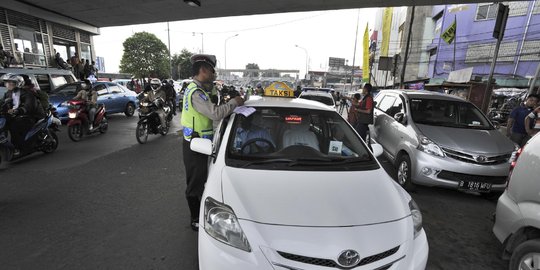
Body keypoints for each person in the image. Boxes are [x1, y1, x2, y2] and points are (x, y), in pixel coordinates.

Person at [181, 54, 244, 231]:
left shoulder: (200, 89)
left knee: (200, 180)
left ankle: (199, 212)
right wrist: (235, 102)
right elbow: (215, 113)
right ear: (203, 70)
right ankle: (195, 219)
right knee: (195, 183)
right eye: (211, 70)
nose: (213, 73)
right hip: (195, 144)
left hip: (200, 143)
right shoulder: (196, 93)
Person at [1, 74, 43, 155]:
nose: (7, 84)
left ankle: (18, 147)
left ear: (18, 83)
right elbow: (2, 104)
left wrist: (18, 111)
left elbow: (29, 106)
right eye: (6, 82)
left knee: (14, 126)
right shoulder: (8, 94)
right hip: (16, 115)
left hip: (30, 115)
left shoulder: (28, 93)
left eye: (10, 82)